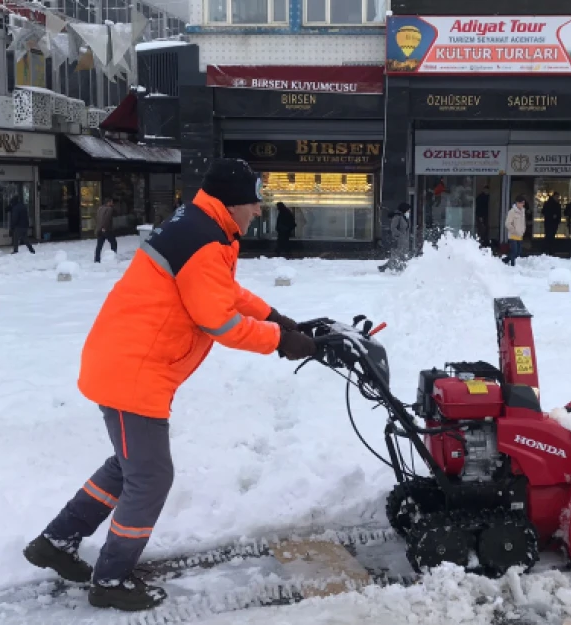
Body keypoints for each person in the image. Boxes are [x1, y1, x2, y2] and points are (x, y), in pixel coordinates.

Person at [22, 158, 318, 612]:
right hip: (134, 372)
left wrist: (274, 317)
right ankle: (111, 579)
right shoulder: (203, 239)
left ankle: (55, 541)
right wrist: (281, 341)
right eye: (253, 203)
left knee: (127, 469)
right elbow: (219, 321)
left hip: (127, 363)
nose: (259, 211)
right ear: (231, 202)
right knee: (151, 477)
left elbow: (225, 292)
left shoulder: (204, 228)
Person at [379, 202, 412, 273]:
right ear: (404, 209)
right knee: (397, 255)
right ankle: (388, 268)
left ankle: (395, 268)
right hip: (397, 239)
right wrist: (400, 235)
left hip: (403, 240)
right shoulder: (397, 217)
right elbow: (393, 227)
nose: (409, 212)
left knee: (400, 255)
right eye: (408, 210)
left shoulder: (404, 217)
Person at [505, 195, 526, 266]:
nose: (522, 205)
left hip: (520, 235)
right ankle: (512, 265)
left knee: (518, 252)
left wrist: (523, 230)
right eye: (521, 203)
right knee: (514, 251)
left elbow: (523, 222)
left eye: (523, 203)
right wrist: (513, 230)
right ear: (517, 203)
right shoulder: (512, 212)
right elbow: (507, 223)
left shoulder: (523, 211)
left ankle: (506, 260)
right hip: (513, 235)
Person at [95, 198, 118, 263]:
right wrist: (104, 227)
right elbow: (107, 219)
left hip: (99, 229)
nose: (112, 203)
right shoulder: (109, 209)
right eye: (111, 202)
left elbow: (97, 218)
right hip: (107, 229)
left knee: (99, 245)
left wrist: (99, 228)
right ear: (109, 202)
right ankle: (113, 256)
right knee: (113, 243)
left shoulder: (100, 208)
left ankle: (97, 259)